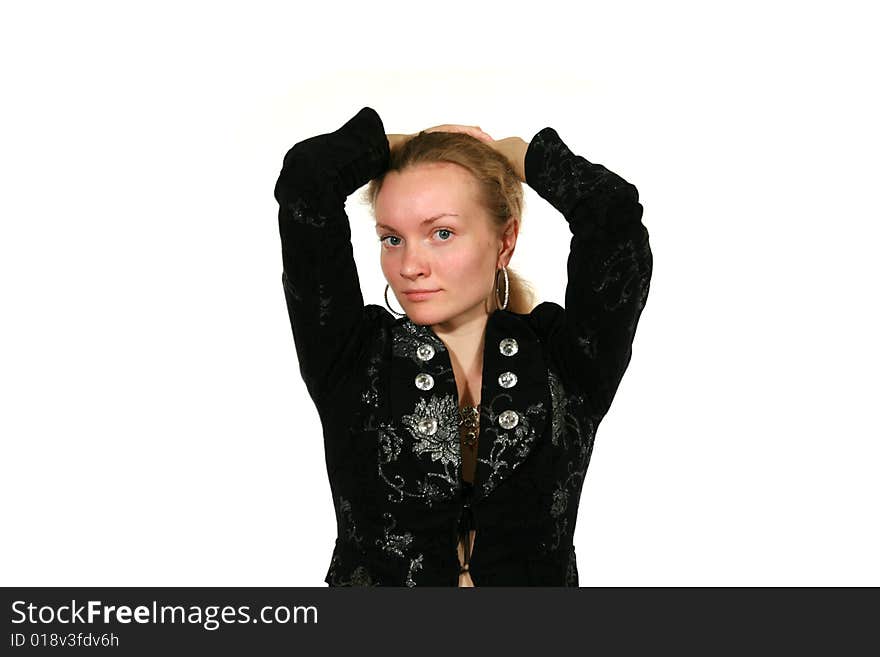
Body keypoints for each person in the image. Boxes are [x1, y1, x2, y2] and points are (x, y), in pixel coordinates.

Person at [273, 106, 652, 586]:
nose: (410, 264)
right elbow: (308, 180)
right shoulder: (351, 355)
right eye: (392, 239)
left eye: (442, 233)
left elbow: (613, 217)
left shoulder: (567, 359)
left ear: (505, 241)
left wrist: (518, 155)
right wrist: (411, 143)